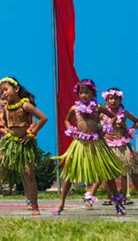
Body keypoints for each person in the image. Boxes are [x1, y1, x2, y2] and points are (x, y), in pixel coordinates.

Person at [53, 79, 126, 215]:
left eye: (87, 92)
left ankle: (119, 204)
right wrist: (71, 130)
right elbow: (66, 120)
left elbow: (113, 117)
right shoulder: (74, 108)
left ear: (93, 93)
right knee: (70, 174)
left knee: (107, 174)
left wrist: (106, 128)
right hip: (80, 144)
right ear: (78, 94)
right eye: (81, 92)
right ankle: (61, 202)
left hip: (97, 144)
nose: (84, 95)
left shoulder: (98, 108)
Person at [0, 77, 47, 216]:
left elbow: (43, 118)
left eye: (6, 89)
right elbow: (1, 124)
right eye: (1, 91)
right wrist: (4, 131)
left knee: (28, 174)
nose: (3, 93)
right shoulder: (5, 108)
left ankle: (34, 205)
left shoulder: (25, 105)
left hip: (23, 144)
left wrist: (31, 133)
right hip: (10, 142)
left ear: (16, 89)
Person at [84, 87, 138, 209]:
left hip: (123, 146)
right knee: (103, 173)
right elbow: (94, 125)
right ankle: (90, 198)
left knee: (130, 172)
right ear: (106, 100)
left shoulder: (124, 113)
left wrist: (128, 130)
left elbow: (136, 121)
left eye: (116, 98)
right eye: (110, 98)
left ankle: (123, 197)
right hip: (107, 145)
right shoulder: (102, 113)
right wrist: (102, 133)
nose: (113, 101)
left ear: (120, 100)